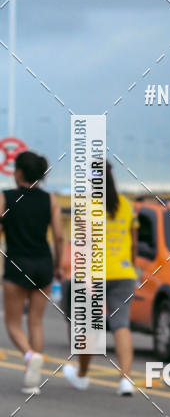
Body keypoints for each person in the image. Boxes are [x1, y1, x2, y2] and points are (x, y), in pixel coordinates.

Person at [62, 161, 138, 396]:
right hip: (124, 272)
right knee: (121, 325)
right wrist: (130, 267)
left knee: (89, 328)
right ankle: (125, 380)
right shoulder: (126, 205)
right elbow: (134, 243)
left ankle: (82, 375)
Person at [0, 151, 64, 394]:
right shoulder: (50, 200)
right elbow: (58, 236)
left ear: (18, 173)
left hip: (17, 265)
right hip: (43, 266)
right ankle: (33, 380)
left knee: (13, 323)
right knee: (35, 322)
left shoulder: (5, 197)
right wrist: (58, 265)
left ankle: (29, 357)